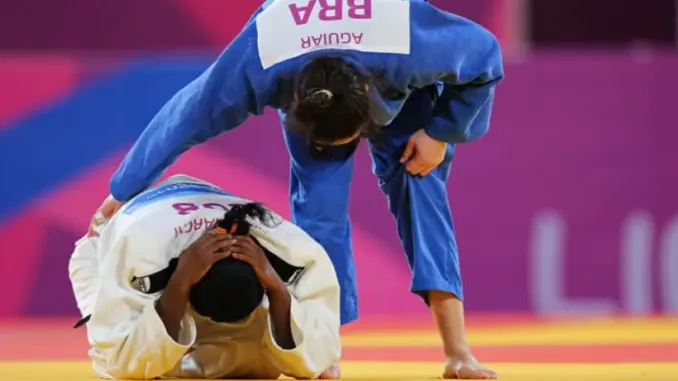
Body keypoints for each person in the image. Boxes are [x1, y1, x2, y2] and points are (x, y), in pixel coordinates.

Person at [89, 0, 504, 378]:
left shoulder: (410, 43)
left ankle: (458, 353)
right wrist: (121, 192)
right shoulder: (261, 58)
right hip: (312, 78)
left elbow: (486, 54)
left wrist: (440, 131)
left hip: (394, 84)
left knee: (421, 189)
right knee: (320, 220)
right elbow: (183, 118)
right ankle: (325, 357)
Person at [71, 175, 341, 380]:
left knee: (257, 365)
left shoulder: (291, 251)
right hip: (115, 245)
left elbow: (321, 354)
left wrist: (276, 286)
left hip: (188, 217)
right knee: (127, 366)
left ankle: (202, 334)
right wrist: (179, 281)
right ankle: (170, 329)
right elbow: (120, 361)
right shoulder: (140, 254)